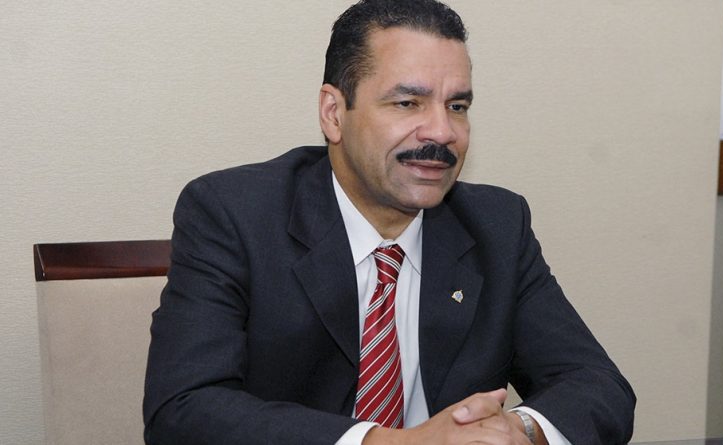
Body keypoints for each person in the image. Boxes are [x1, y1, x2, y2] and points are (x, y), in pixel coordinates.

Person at [143, 0, 636, 444]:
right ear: (334, 113)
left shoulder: (497, 225)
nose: (442, 132)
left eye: (457, 106)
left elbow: (598, 387)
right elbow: (182, 409)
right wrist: (389, 443)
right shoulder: (234, 214)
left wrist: (517, 430)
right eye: (407, 103)